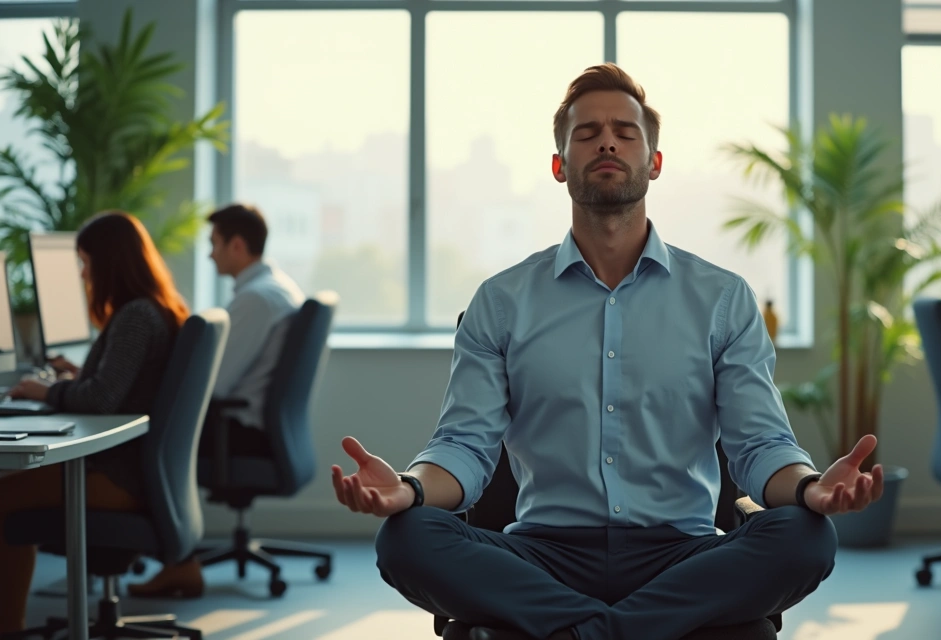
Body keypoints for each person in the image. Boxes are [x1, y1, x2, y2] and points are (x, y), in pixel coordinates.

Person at [331, 63, 883, 640]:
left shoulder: (722, 300)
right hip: (545, 555)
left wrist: (810, 486)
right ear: (559, 165)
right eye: (586, 133)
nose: (608, 142)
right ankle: (630, 631)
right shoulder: (502, 301)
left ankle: (584, 633)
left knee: (807, 534)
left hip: (680, 554)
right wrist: (409, 488)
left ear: (655, 162)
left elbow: (759, 446)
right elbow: (464, 446)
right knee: (406, 536)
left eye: (626, 130)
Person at [0, 212, 190, 633]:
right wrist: (79, 375)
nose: (83, 273)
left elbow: (103, 399)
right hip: (141, 475)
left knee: (2, 500)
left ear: (109, 263)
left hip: (118, 479)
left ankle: (8, 629)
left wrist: (45, 391)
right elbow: (118, 387)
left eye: (86, 262)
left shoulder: (136, 316)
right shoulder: (153, 309)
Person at [127, 203, 305, 599]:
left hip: (238, 431)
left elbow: (214, 384)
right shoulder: (274, 286)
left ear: (237, 245)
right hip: (253, 426)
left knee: (140, 441)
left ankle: (175, 560)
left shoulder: (257, 300)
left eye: (214, 244)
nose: (210, 254)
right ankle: (171, 556)